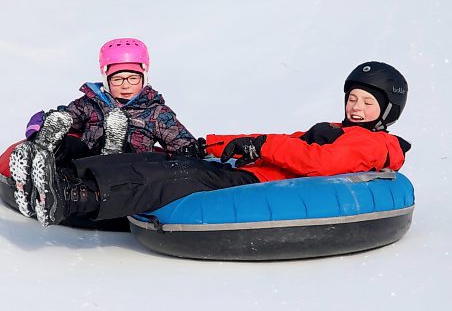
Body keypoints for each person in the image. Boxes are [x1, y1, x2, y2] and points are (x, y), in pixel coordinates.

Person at [27, 61, 411, 227]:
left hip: (259, 184)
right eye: (353, 98)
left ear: (387, 110)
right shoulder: (333, 126)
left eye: (367, 102)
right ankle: (60, 177)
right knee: (159, 161)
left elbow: (319, 164)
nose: (357, 108)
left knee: (175, 179)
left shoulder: (374, 144)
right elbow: (285, 142)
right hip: (248, 171)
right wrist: (217, 143)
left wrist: (259, 147)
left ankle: (73, 198)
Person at [9, 37, 203, 223]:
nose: (125, 85)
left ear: (144, 77)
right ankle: (40, 152)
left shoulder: (156, 113)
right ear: (106, 79)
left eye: (133, 78)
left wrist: (188, 153)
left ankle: (113, 149)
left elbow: (182, 142)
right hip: (83, 162)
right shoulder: (92, 103)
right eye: (117, 79)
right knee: (70, 142)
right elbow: (68, 116)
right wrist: (46, 124)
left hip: (125, 170)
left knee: (130, 160)